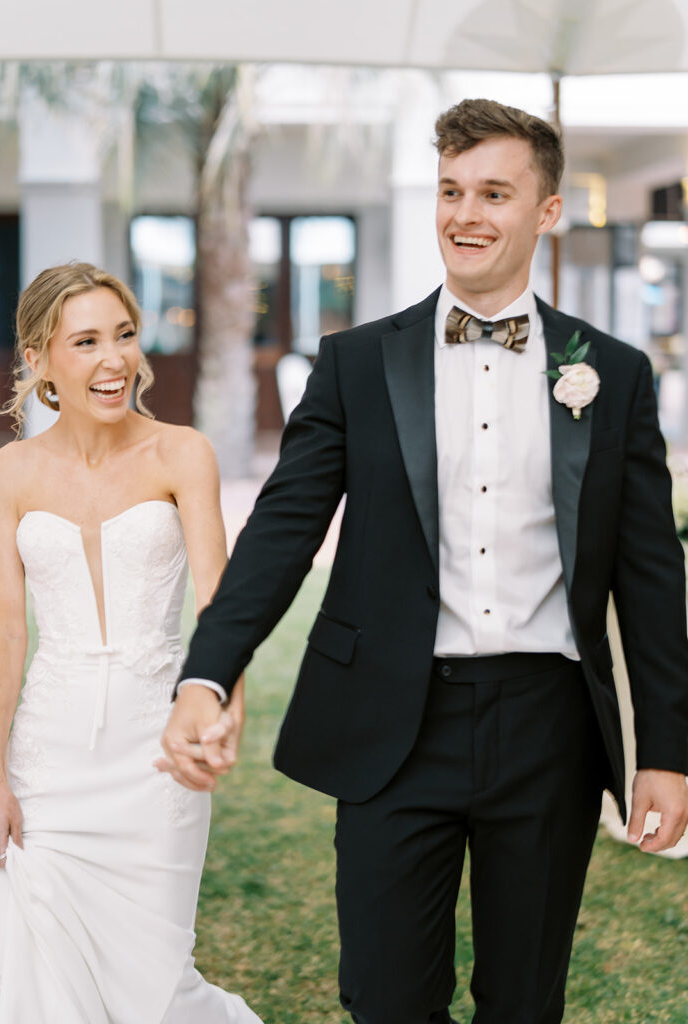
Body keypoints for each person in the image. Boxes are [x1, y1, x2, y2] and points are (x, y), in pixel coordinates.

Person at [159, 99, 688, 1024]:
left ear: (547, 210)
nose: (465, 214)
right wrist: (207, 671)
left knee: (524, 1003)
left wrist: (669, 755)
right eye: (449, 191)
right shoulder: (356, 363)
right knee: (386, 998)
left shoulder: (611, 373)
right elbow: (283, 529)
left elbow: (649, 579)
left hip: (548, 729)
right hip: (391, 725)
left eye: (493, 192)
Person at [0, 263, 262, 1024]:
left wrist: (223, 711)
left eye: (123, 335)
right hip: (48, 758)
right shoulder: (9, 472)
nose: (114, 361)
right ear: (40, 357)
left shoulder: (182, 454)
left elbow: (221, 601)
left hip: (157, 751)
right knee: (41, 975)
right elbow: (6, 629)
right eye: (86, 341)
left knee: (152, 976)